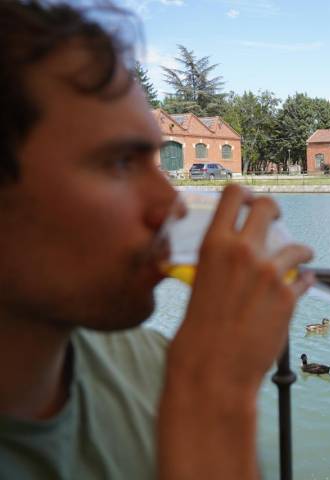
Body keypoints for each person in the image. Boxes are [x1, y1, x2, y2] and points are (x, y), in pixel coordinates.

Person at [0, 1, 314, 479]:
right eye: (119, 162)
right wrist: (213, 398)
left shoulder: (152, 366)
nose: (173, 206)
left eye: (152, 159)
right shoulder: (186, 380)